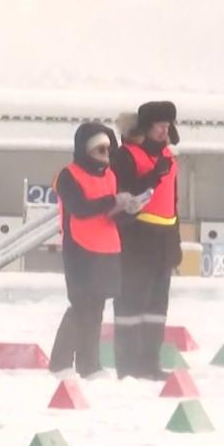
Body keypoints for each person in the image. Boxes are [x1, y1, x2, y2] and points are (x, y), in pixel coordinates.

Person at [48, 122, 136, 378]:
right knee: (81, 305)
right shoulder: (68, 175)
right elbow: (80, 207)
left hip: (107, 247)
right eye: (99, 149)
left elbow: (110, 213)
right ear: (86, 150)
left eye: (108, 149)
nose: (105, 155)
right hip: (79, 247)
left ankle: (89, 365)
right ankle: (61, 362)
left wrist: (128, 209)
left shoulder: (110, 175)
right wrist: (112, 201)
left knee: (96, 307)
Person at [110, 100, 181, 381]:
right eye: (160, 125)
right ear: (146, 126)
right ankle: (127, 366)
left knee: (156, 308)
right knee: (131, 306)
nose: (165, 130)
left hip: (164, 240)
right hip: (137, 239)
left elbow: (172, 202)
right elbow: (124, 194)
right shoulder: (127, 155)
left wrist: (174, 243)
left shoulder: (168, 158)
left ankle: (150, 362)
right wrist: (154, 175)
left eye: (168, 125)